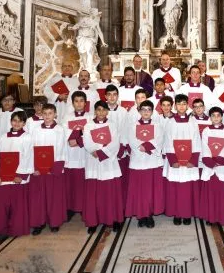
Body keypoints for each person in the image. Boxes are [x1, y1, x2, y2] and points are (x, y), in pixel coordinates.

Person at [0, 111, 33, 240]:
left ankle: (17, 228)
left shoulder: (27, 138)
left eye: (20, 121)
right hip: (3, 178)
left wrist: (20, 174)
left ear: (24, 123)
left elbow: (28, 157)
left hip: (18, 178)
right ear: (11, 121)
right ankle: (0, 229)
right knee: (1, 205)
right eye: (14, 120)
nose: (17, 123)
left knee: (18, 205)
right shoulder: (2, 138)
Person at [82, 101, 123, 234]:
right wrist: (97, 150)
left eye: (103, 110)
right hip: (93, 161)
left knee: (111, 192)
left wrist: (101, 152)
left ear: (107, 112)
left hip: (109, 162)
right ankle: (93, 221)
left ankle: (115, 219)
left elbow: (115, 142)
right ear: (95, 111)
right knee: (94, 194)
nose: (100, 112)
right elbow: (87, 141)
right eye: (98, 110)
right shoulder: (88, 126)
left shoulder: (112, 125)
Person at [125, 100, 165, 228]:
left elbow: (159, 139)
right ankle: (140, 215)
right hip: (137, 162)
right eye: (144, 109)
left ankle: (149, 215)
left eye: (149, 109)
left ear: (152, 112)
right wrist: (141, 147)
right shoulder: (132, 126)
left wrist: (145, 147)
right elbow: (131, 140)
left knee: (150, 191)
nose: (146, 112)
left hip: (152, 162)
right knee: (139, 191)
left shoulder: (157, 125)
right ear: (139, 111)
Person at [163, 94, 201, 225]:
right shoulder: (170, 122)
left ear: (187, 106)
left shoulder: (193, 122)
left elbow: (197, 141)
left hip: (189, 161)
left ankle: (187, 214)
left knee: (187, 189)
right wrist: (173, 159)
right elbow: (167, 141)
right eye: (179, 104)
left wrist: (193, 159)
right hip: (176, 162)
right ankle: (177, 214)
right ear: (175, 106)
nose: (181, 106)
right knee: (176, 188)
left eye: (184, 104)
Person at [29, 104, 67, 235]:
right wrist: (34, 167)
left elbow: (61, 149)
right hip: (38, 170)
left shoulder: (60, 130)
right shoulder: (35, 130)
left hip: (53, 170)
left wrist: (54, 168)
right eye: (45, 113)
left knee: (53, 197)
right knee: (38, 197)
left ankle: (54, 222)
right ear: (41, 114)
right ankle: (39, 222)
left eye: (50, 113)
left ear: (55, 114)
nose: (47, 116)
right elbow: (31, 149)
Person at [199, 107, 224, 226]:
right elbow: (204, 146)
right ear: (210, 117)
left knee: (221, 193)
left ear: (222, 117)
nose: (216, 118)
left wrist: (219, 160)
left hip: (222, 167)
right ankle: (210, 216)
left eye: (218, 115)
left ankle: (221, 217)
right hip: (210, 166)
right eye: (213, 116)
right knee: (211, 192)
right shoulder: (206, 130)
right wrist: (211, 162)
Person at [61, 91, 89, 222]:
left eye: (81, 101)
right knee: (70, 184)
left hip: (84, 154)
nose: (79, 103)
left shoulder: (90, 117)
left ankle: (84, 207)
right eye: (76, 101)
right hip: (70, 155)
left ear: (85, 102)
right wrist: (78, 133)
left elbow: (91, 135)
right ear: (72, 103)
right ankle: (70, 208)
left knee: (83, 184)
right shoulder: (66, 118)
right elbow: (63, 135)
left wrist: (78, 139)